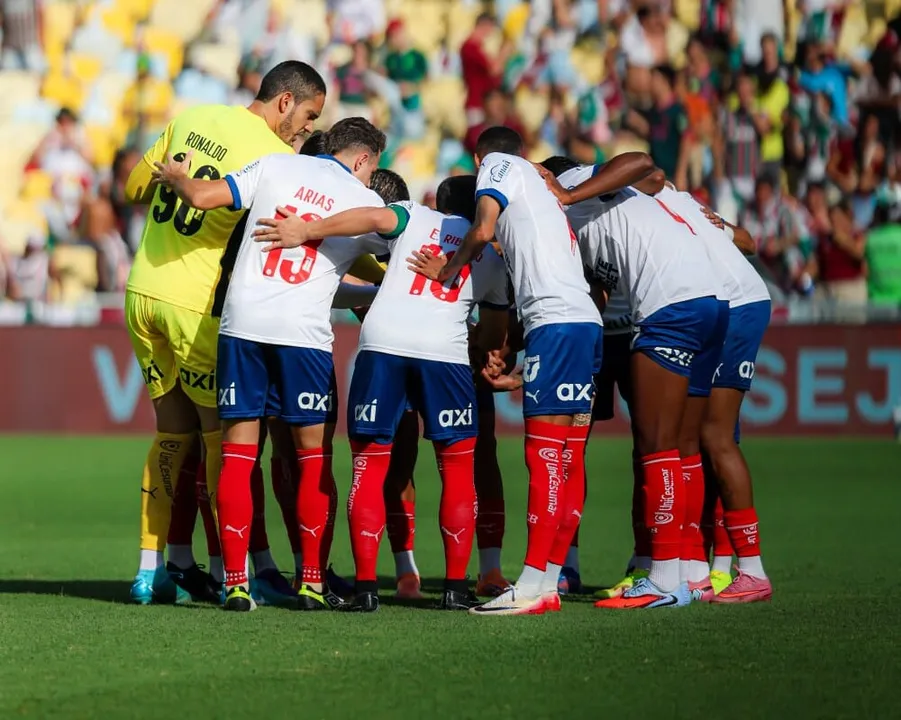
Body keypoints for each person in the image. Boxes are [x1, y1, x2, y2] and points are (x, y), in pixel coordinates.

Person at [152, 117, 388, 612]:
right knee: (310, 459)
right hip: (303, 338)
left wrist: (175, 177)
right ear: (364, 159)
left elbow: (202, 197)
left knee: (239, 455)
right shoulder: (365, 203)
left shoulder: (277, 166)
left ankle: (236, 584)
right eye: (372, 169)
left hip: (242, 329)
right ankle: (310, 583)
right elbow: (393, 242)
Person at [123, 60, 327, 605]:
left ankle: (152, 569)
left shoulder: (192, 116)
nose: (306, 130)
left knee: (171, 433)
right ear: (285, 101)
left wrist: (184, 172)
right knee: (227, 443)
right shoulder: (278, 159)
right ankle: (229, 570)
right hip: (195, 306)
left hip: (141, 290)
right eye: (308, 116)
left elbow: (134, 186)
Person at [258, 174, 510, 611]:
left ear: (439, 201)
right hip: (444, 352)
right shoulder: (490, 257)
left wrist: (309, 228)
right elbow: (493, 334)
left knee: (368, 469)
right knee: (456, 470)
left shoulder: (412, 216)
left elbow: (373, 216)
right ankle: (453, 588)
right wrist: (478, 342)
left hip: (382, 344)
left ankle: (368, 589)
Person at [419, 127, 604, 617]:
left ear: (480, 159)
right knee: (568, 457)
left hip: (554, 323)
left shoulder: (497, 168)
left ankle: (532, 583)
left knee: (542, 457)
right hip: (584, 324)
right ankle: (548, 578)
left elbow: (481, 231)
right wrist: (523, 374)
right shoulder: (539, 188)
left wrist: (448, 268)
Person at [542, 157, 722, 610]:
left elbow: (646, 164)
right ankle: (681, 572)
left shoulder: (573, 188)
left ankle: (662, 581)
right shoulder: (588, 220)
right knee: (674, 445)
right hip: (707, 302)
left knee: (657, 446)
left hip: (668, 307)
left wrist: (566, 192)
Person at [653, 183, 772, 603]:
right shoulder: (679, 199)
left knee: (711, 437)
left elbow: (749, 242)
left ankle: (745, 570)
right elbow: (748, 241)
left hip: (732, 307)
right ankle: (707, 567)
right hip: (740, 302)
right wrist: (719, 227)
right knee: (708, 435)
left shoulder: (648, 209)